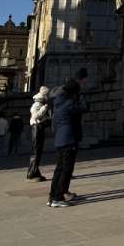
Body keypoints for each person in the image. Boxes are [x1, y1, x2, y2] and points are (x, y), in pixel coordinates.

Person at [47, 69, 87, 208]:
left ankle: (52, 196)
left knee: (59, 169)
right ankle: (58, 197)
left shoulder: (58, 103)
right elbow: (85, 107)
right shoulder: (69, 104)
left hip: (60, 139)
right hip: (69, 139)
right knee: (66, 169)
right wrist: (79, 95)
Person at [27, 86, 51, 181]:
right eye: (47, 95)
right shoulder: (37, 104)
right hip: (36, 128)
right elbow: (36, 116)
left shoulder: (40, 103)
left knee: (38, 151)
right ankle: (31, 173)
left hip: (39, 128)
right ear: (44, 95)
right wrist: (45, 108)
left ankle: (35, 171)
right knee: (36, 151)